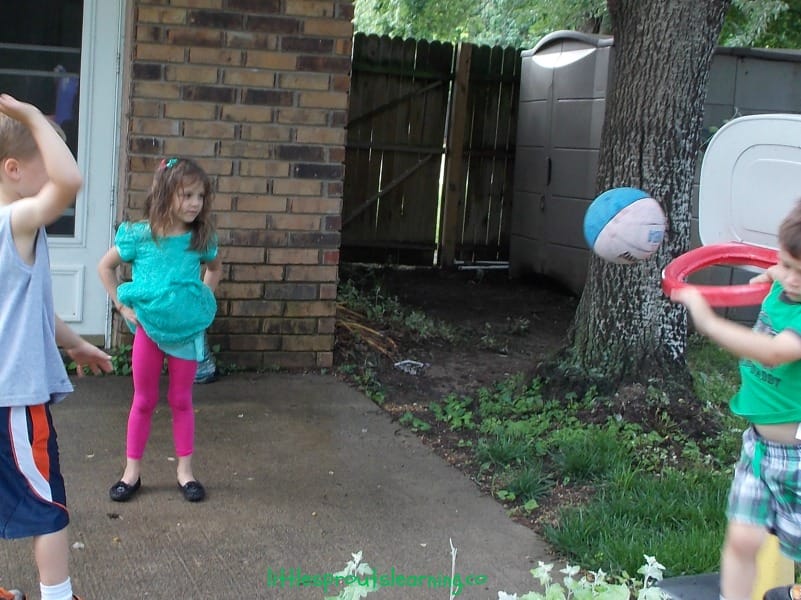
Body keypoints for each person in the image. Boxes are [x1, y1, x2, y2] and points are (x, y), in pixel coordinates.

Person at [0, 94, 113, 600]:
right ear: (14, 170)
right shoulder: (16, 223)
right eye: (47, 163)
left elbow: (33, 309)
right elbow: (71, 183)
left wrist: (75, 345)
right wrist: (28, 115)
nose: (57, 179)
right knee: (49, 505)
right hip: (14, 401)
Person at [670, 200, 801, 600]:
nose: (791, 279)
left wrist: (709, 322)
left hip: (798, 458)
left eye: (800, 272)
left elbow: (774, 353)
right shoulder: (785, 281)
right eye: (788, 264)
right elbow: (779, 270)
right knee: (742, 540)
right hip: (758, 449)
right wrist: (772, 271)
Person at [98, 156, 222, 504]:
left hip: (184, 335)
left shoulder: (199, 238)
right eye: (187, 195)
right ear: (166, 195)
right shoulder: (140, 236)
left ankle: (185, 473)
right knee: (144, 400)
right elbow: (105, 267)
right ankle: (131, 473)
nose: (195, 203)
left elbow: (213, 270)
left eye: (200, 196)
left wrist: (201, 303)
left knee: (182, 400)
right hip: (149, 333)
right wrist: (122, 306)